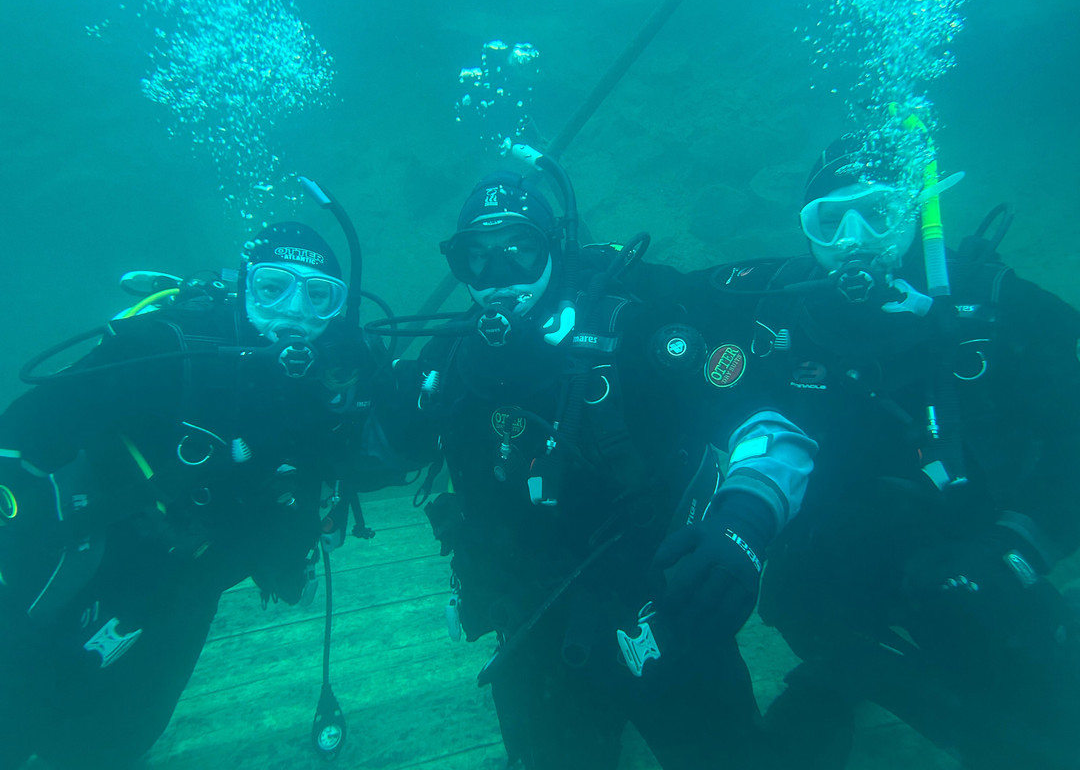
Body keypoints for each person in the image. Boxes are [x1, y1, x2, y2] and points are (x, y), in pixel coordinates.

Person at [380, 150, 818, 770]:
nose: (498, 271)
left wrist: (743, 523)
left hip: (661, 595)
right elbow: (384, 454)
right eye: (476, 255)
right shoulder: (452, 359)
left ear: (555, 246)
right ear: (458, 263)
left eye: (520, 248)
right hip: (531, 618)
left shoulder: (633, 328)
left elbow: (765, 425)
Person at [685, 133, 1080, 769]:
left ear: (915, 213)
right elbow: (666, 299)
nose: (854, 238)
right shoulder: (781, 302)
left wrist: (1021, 548)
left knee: (1046, 712)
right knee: (795, 596)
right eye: (830, 218)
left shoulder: (991, 307)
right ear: (807, 231)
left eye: (878, 212)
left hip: (980, 541)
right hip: (843, 551)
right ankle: (846, 676)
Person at [0, 221, 399, 769]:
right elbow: (28, 429)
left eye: (318, 294)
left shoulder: (339, 371)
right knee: (23, 703)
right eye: (272, 287)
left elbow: (365, 458)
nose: (295, 310)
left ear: (337, 306)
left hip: (201, 572)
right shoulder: (171, 350)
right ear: (243, 288)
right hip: (109, 549)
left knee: (123, 732)